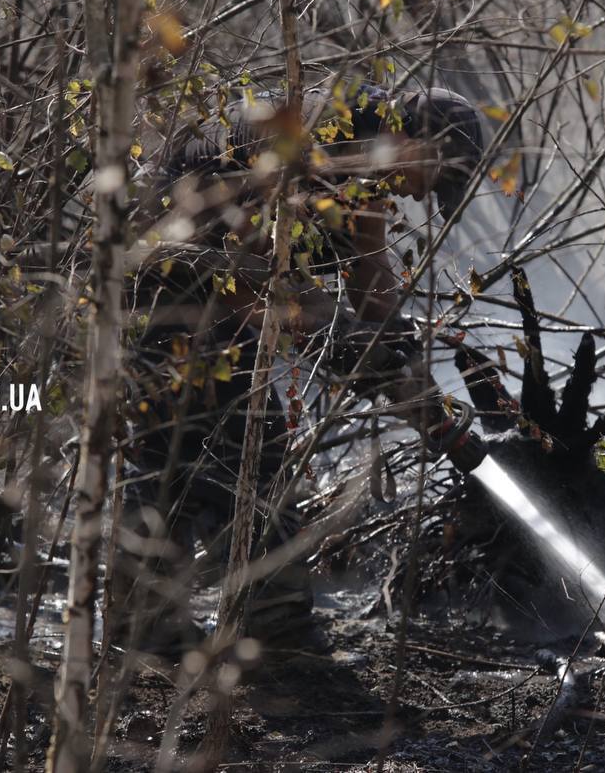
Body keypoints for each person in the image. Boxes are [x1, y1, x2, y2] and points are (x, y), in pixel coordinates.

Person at [110, 81, 484, 653]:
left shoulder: (370, 160)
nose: (422, 195)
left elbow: (370, 279)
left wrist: (409, 373)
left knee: (204, 447)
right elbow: (246, 273)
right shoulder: (318, 137)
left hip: (220, 281)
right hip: (166, 269)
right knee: (221, 443)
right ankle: (257, 623)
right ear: (416, 142)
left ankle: (162, 624)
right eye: (434, 176)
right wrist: (331, 335)